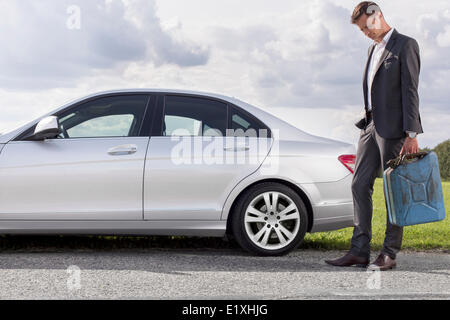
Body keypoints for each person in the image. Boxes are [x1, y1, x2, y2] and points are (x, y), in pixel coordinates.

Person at [325, 1, 423, 271]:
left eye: (366, 27)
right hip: (370, 126)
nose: (365, 33)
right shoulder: (372, 48)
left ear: (377, 16)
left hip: (395, 129)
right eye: (361, 30)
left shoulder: (405, 45)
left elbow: (411, 91)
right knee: (359, 184)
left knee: (394, 192)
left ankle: (389, 253)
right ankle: (359, 250)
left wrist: (411, 133)